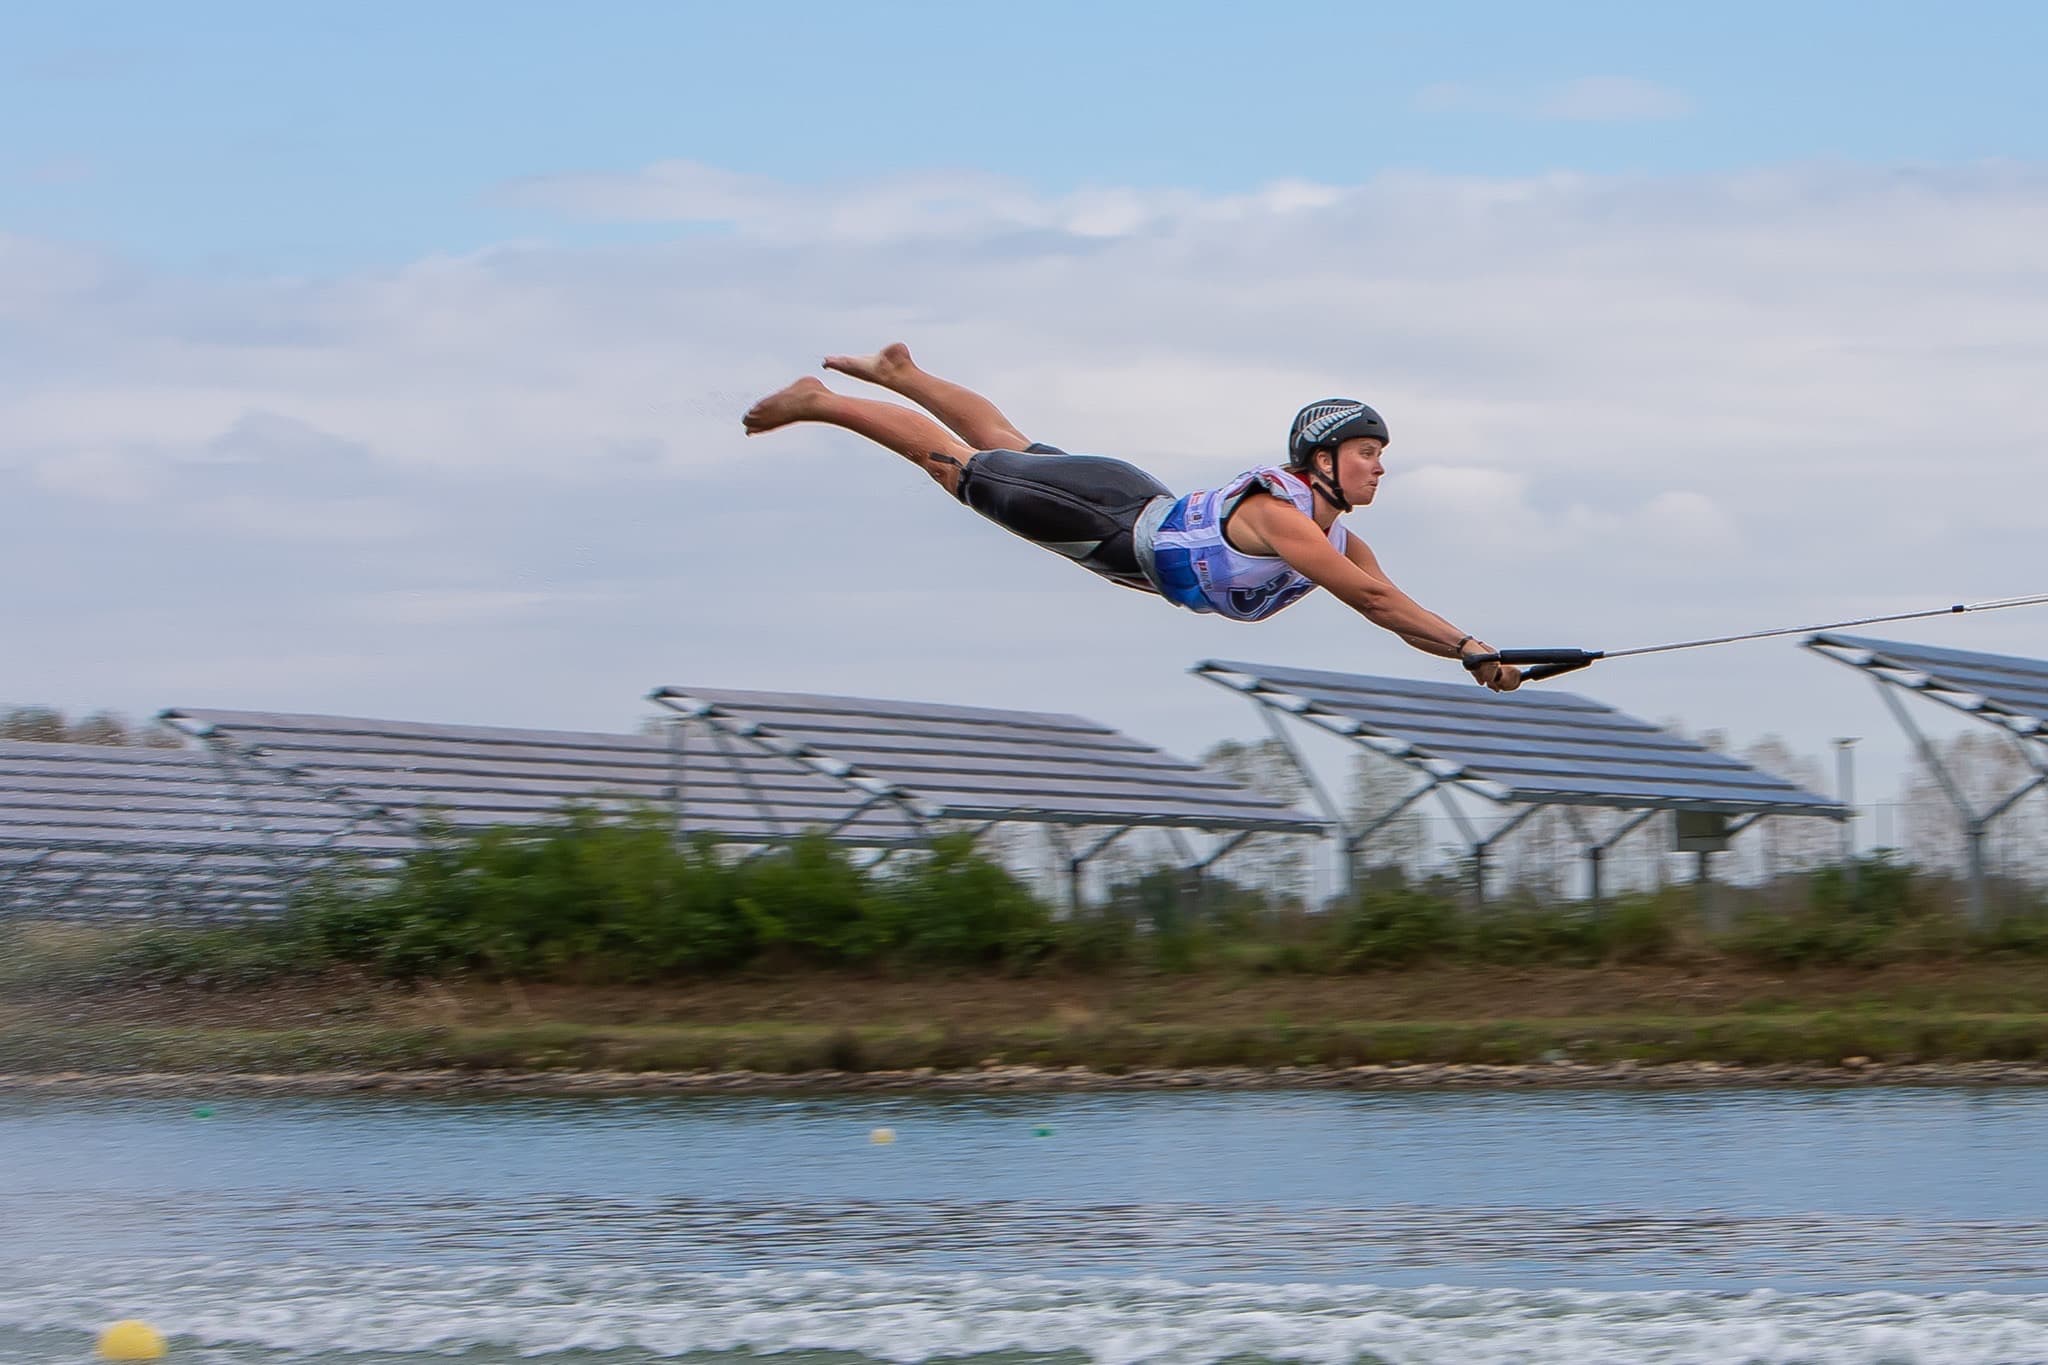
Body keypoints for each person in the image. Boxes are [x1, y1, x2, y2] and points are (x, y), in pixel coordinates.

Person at [742, 344, 1522, 691]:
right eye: (1366, 452)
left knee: (1007, 443)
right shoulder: (1282, 516)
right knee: (956, 464)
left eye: (1381, 455)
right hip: (1105, 521)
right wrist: (1466, 645)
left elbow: (1400, 614)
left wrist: (1473, 656)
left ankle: (902, 372)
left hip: (1124, 500)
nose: (1379, 466)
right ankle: (824, 401)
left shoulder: (1342, 538)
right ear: (1321, 459)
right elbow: (1375, 601)